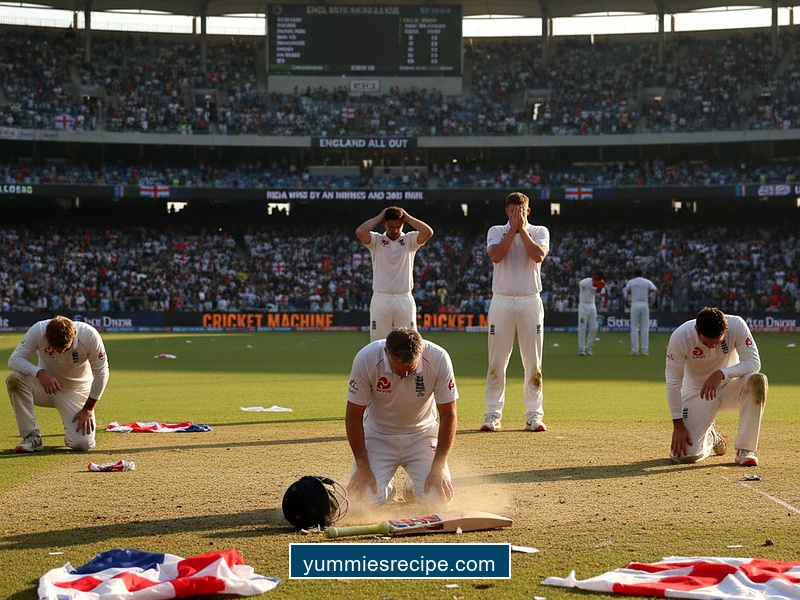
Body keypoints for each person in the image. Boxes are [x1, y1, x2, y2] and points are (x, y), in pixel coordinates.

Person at [345, 327, 458, 508]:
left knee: (438, 500)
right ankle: (387, 488)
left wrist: (438, 466)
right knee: (362, 502)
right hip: (378, 436)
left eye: (410, 369)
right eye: (398, 370)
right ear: (385, 352)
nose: (404, 375)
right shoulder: (366, 358)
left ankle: (413, 487)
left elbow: (448, 415)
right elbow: (353, 415)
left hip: (422, 435)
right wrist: (363, 466)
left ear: (421, 352)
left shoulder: (438, 358)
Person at [482, 191, 550, 433]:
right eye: (512, 211)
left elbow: (538, 255)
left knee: (533, 362)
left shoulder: (540, 231)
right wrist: (512, 230)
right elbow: (496, 256)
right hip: (502, 300)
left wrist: (522, 230)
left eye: (520, 211)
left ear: (528, 211)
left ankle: (534, 415)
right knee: (496, 361)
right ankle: (492, 415)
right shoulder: (496, 231)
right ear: (506, 211)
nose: (516, 215)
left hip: (530, 300)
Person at [666, 307, 767, 466]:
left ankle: (746, 450)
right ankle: (711, 436)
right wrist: (678, 427)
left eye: (717, 342)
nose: (713, 346)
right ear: (696, 330)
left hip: (730, 388)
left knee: (757, 380)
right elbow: (673, 382)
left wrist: (721, 374)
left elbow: (754, 363)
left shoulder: (736, 325)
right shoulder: (681, 337)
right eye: (707, 342)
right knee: (684, 456)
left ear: (725, 330)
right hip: (697, 393)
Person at [6, 315, 109, 453]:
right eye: (54, 348)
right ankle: (32, 437)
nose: (60, 352)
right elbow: (14, 360)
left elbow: (102, 373)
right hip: (46, 387)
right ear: (46, 336)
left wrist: (88, 409)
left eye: (65, 348)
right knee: (15, 379)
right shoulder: (38, 330)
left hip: (76, 391)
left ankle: (72, 433)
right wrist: (39, 372)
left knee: (82, 445)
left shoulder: (89, 335)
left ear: (74, 334)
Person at [356, 206, 434, 341]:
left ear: (403, 224)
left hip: (404, 298)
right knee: (378, 343)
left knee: (409, 342)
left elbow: (428, 232)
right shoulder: (377, 241)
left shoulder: (410, 240)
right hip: (381, 298)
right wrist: (380, 216)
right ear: (384, 224)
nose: (395, 230)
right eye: (391, 226)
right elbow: (360, 232)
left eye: (398, 226)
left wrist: (407, 217)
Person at [625, 269, 658, 356]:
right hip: (644, 303)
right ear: (642, 274)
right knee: (645, 327)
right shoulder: (647, 282)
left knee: (634, 328)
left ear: (634, 274)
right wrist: (651, 297)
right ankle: (644, 350)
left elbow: (627, 292)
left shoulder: (631, 282)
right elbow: (655, 290)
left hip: (635, 303)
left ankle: (634, 350)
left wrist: (628, 300)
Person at [577, 272, 605, 356]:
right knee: (582, 327)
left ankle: (589, 348)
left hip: (592, 305)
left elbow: (600, 290)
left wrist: (598, 285)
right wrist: (591, 284)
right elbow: (581, 284)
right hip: (583, 305)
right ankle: (582, 349)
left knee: (594, 327)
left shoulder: (599, 284)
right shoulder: (586, 281)